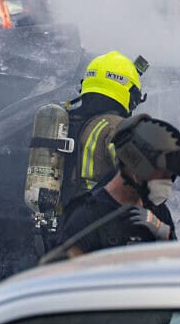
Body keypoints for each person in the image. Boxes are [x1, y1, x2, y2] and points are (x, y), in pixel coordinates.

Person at [51, 114, 180, 324]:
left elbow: (177, 277)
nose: (167, 185)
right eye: (162, 176)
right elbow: (59, 299)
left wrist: (163, 234)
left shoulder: (157, 216)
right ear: (135, 168)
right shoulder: (88, 219)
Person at [54, 51, 146, 226]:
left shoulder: (70, 122)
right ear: (129, 93)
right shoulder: (116, 127)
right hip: (102, 227)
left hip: (67, 223)